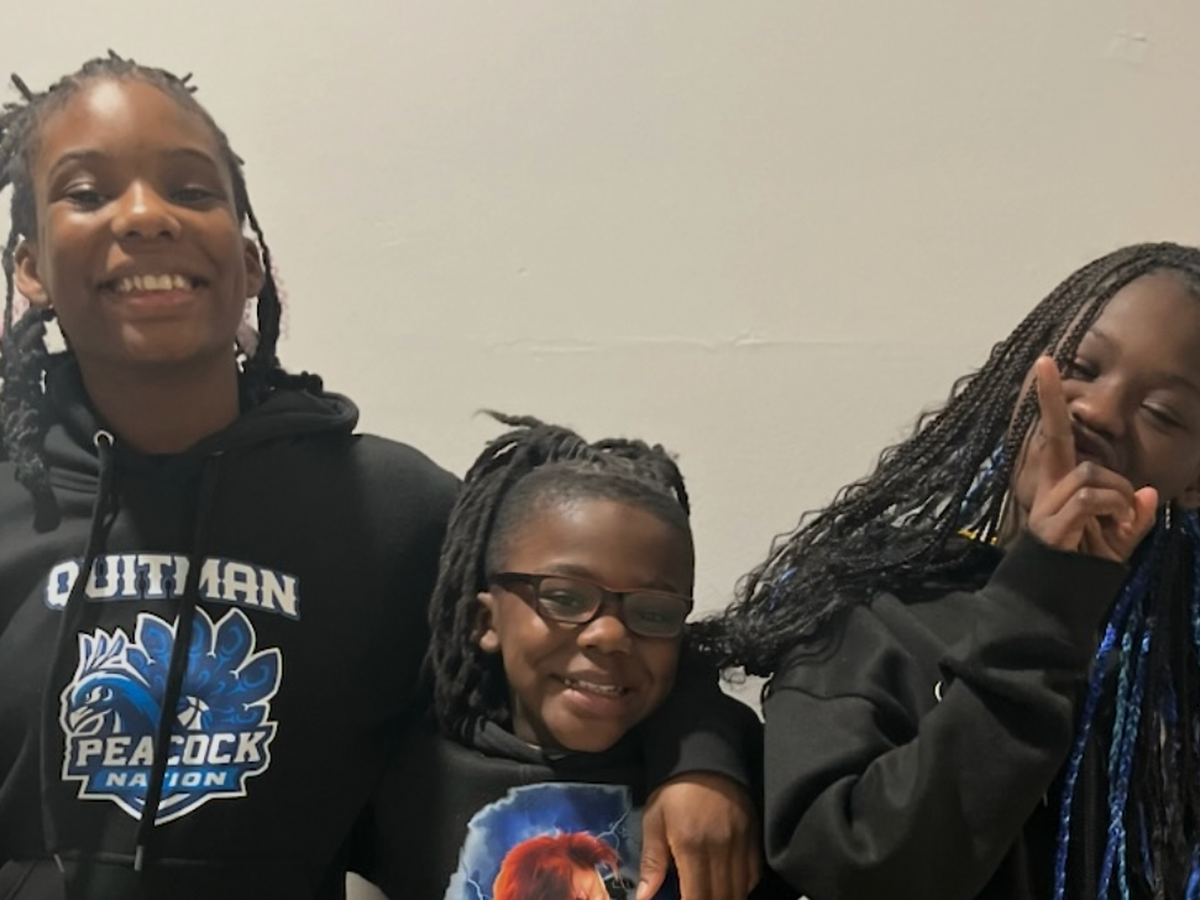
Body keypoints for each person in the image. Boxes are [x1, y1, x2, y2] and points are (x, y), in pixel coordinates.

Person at [0, 55, 764, 900]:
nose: (146, 215)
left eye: (191, 190)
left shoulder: (393, 512)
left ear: (250, 264)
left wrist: (703, 760)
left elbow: (613, 628)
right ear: (30, 267)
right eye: (87, 192)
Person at [700, 242, 1200, 899]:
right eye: (1081, 367)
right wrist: (1044, 607)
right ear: (1022, 372)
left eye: (1162, 412)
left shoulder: (1180, 661)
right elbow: (857, 868)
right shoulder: (878, 609)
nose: (1098, 411)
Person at [354, 415, 773, 900]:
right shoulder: (405, 776)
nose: (610, 634)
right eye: (565, 598)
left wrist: (711, 764)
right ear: (485, 621)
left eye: (653, 612)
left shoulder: (733, 774)